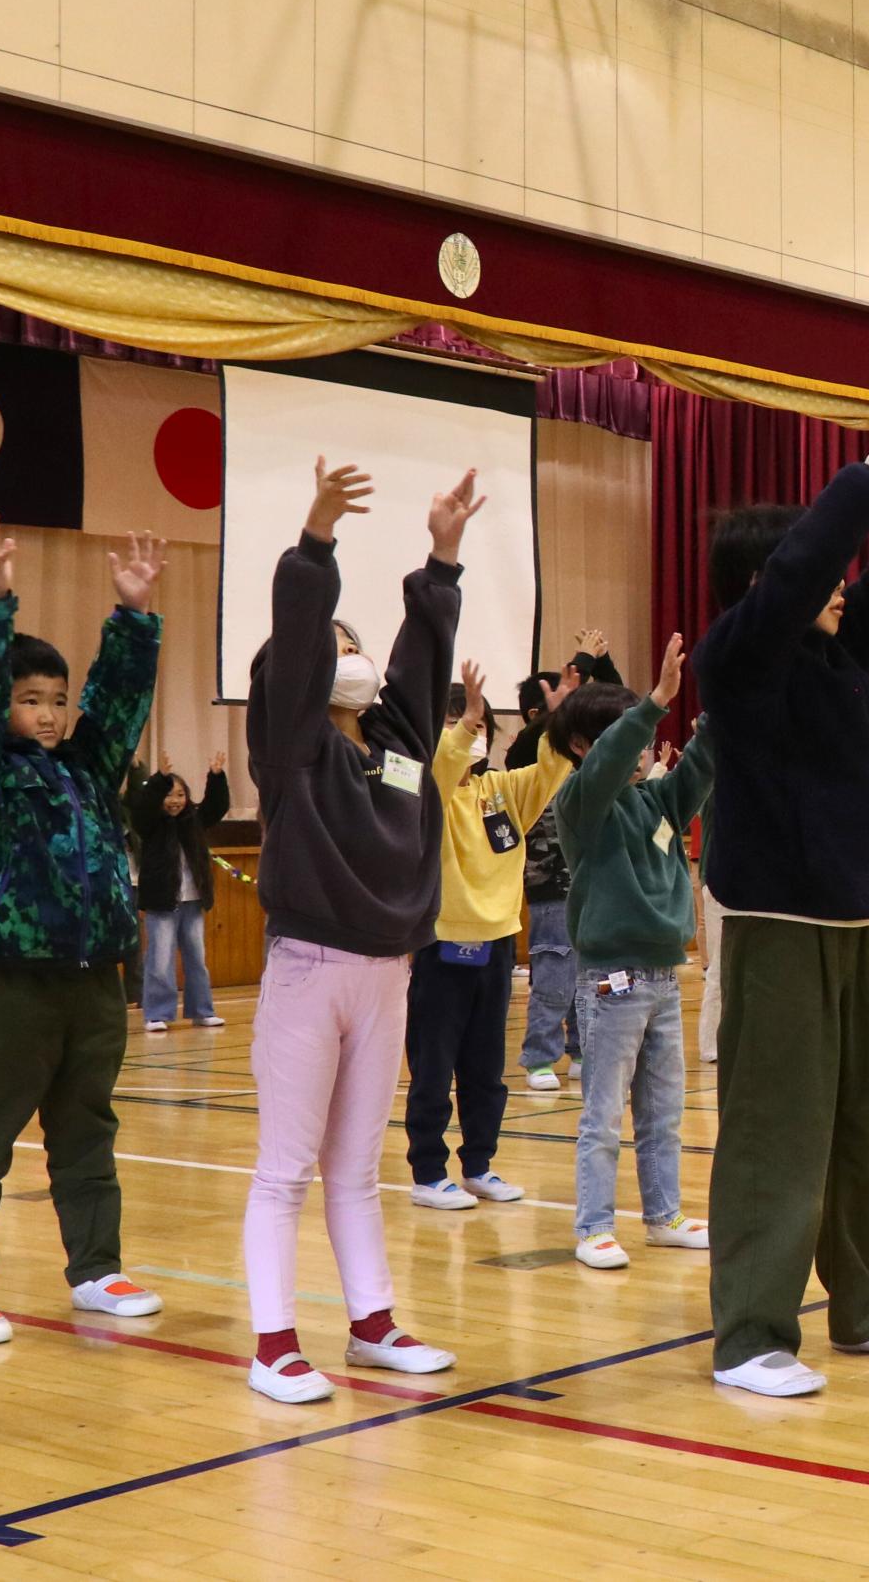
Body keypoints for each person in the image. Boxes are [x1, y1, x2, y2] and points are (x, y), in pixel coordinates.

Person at [700, 369, 869, 1397]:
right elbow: (808, 564)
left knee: (857, 1124)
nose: (841, 583)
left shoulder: (833, 659)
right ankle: (750, 1335)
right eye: (817, 575)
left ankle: (858, 1307)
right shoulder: (740, 656)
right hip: (772, 924)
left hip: (853, 919)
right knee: (776, 1131)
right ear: (770, 585)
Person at [240, 460, 476, 1402]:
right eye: (331, 641)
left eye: (351, 638)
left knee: (356, 1167)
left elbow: (421, 656)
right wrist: (316, 542)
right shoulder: (290, 754)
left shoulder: (400, 750)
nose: (347, 649)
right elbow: (297, 638)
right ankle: (272, 1346)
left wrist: (444, 558)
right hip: (308, 971)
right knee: (286, 1169)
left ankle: (373, 1324)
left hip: (388, 976)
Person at [0, 513, 167, 1348]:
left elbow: (119, 706)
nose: (51, 714)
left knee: (87, 1131)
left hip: (93, 980)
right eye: (31, 700)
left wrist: (133, 619)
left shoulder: (86, 774)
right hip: (11, 985)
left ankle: (97, 1267)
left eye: (57, 701)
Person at [545, 638, 714, 1270]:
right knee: (602, 1112)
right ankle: (593, 1227)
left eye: (644, 736)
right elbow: (614, 758)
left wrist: (721, 707)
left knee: (663, 1109)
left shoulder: (655, 799)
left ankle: (664, 1214)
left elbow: (698, 767)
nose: (641, 747)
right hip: (610, 979)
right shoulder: (582, 804)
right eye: (624, 736)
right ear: (586, 749)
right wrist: (656, 701)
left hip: (663, 976)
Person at [403, 659, 572, 1211]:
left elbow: (549, 768)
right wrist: (462, 723)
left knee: (485, 1064)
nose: (472, 735)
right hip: (442, 941)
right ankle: (428, 1171)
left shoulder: (501, 791)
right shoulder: (426, 788)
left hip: (498, 941)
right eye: (460, 725)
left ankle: (479, 1164)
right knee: (434, 1061)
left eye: (479, 727)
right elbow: (440, 768)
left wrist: (558, 720)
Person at [514, 633, 621, 1091]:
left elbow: (622, 713)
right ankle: (540, 1056)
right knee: (554, 973)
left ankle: (580, 1049)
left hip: (592, 881)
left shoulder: (583, 758)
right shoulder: (526, 751)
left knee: (592, 975)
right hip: (550, 882)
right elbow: (542, 738)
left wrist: (602, 661)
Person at [127, 753, 230, 1034]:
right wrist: (159, 779)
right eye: (169, 795)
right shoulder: (151, 824)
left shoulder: (193, 820)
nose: (175, 800)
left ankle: (202, 1011)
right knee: (160, 959)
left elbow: (218, 806)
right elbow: (143, 808)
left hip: (193, 901)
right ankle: (157, 1013)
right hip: (162, 902)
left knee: (197, 958)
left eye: (181, 794)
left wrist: (216, 777)